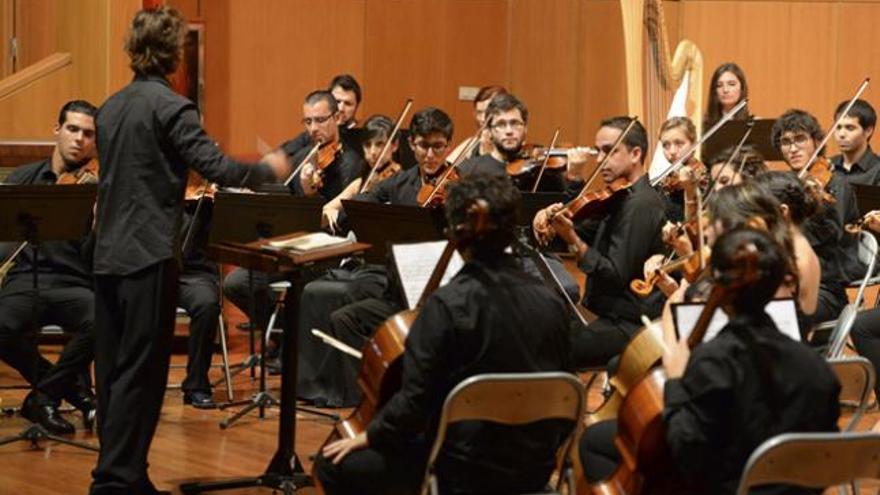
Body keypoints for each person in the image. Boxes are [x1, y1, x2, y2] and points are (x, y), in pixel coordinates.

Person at [90, 7, 283, 494]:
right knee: (144, 372)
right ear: (174, 55)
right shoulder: (172, 107)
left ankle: (118, 474)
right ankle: (118, 479)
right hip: (149, 254)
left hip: (107, 254)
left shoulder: (111, 107)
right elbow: (216, 167)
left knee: (113, 370)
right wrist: (268, 168)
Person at [314, 173, 573, 495]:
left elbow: (414, 404)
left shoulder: (447, 305)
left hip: (462, 472)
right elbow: (564, 391)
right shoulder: (551, 301)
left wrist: (371, 435)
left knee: (332, 463)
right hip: (533, 470)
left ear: (454, 232)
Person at [579, 227, 840, 495]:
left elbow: (686, 453)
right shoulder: (816, 366)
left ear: (720, 288)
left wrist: (678, 380)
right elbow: (825, 457)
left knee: (594, 442)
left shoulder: (714, 362)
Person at [296, 107, 455, 407]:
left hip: (438, 296)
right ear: (411, 145)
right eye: (423, 145)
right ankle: (361, 399)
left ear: (449, 145)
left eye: (438, 146)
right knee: (343, 319)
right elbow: (364, 204)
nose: (430, 155)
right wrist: (344, 209)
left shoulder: (458, 186)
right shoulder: (402, 182)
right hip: (398, 290)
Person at [533, 116, 667, 369]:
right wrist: (549, 219)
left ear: (635, 153)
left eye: (610, 151)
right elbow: (578, 230)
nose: (599, 160)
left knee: (544, 350)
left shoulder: (641, 205)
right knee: (534, 327)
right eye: (598, 151)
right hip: (600, 313)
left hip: (628, 324)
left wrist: (572, 238)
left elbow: (615, 274)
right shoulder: (619, 198)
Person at [0, 100, 99, 435]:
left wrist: (98, 217)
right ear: (57, 130)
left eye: (88, 134)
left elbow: (100, 255)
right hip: (26, 280)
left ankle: (42, 398)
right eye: (72, 129)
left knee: (104, 320)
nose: (79, 139)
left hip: (75, 283)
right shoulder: (24, 179)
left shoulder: (100, 188)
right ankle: (78, 395)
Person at [458, 92, 579, 192]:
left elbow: (567, 208)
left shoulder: (543, 172)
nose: (509, 131)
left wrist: (574, 176)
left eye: (515, 123)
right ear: (489, 130)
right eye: (501, 124)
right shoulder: (469, 170)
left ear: (525, 127)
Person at [176, 188, 223, 409]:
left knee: (207, 305)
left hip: (195, 275)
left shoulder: (211, 199)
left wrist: (223, 204)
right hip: (156, 268)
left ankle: (196, 384)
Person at [321, 114, 402, 232]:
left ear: (394, 145)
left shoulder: (404, 181)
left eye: (380, 144)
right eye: (367, 145)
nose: (373, 152)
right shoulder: (361, 183)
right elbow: (324, 212)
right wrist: (329, 212)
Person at [290, 90, 365, 200]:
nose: (313, 128)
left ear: (337, 118)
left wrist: (311, 193)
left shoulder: (352, 164)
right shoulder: (300, 158)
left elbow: (339, 214)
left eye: (320, 120)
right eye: (308, 121)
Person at [275, 74, 364, 159]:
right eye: (337, 101)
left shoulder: (361, 138)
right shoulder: (314, 132)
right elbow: (284, 152)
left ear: (356, 106)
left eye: (348, 104)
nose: (341, 108)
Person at [445, 84, 506, 163]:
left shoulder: (511, 146)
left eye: (488, 112)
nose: (482, 118)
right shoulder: (473, 142)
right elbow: (448, 167)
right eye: (479, 112)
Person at [831, 98, 880, 185]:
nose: (841, 134)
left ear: (868, 131)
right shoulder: (827, 166)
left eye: (850, 128)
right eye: (838, 127)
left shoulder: (877, 170)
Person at [703, 62, 751, 131]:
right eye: (719, 85)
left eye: (731, 84)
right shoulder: (701, 124)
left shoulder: (753, 124)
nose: (725, 90)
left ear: (742, 88)